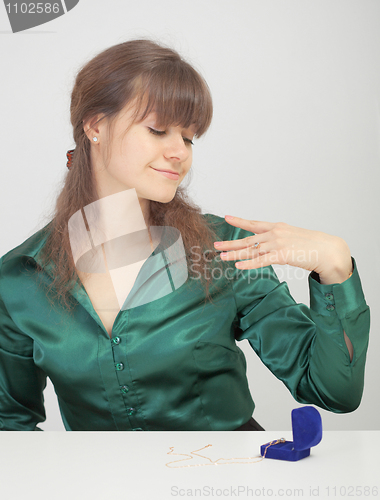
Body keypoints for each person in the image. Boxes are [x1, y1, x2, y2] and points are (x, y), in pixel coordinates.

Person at [0, 39, 370, 432]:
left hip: (223, 485)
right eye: (158, 130)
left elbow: (334, 391)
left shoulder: (226, 250)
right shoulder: (21, 277)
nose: (180, 152)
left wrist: (335, 265)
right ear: (95, 126)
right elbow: (10, 424)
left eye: (189, 137)